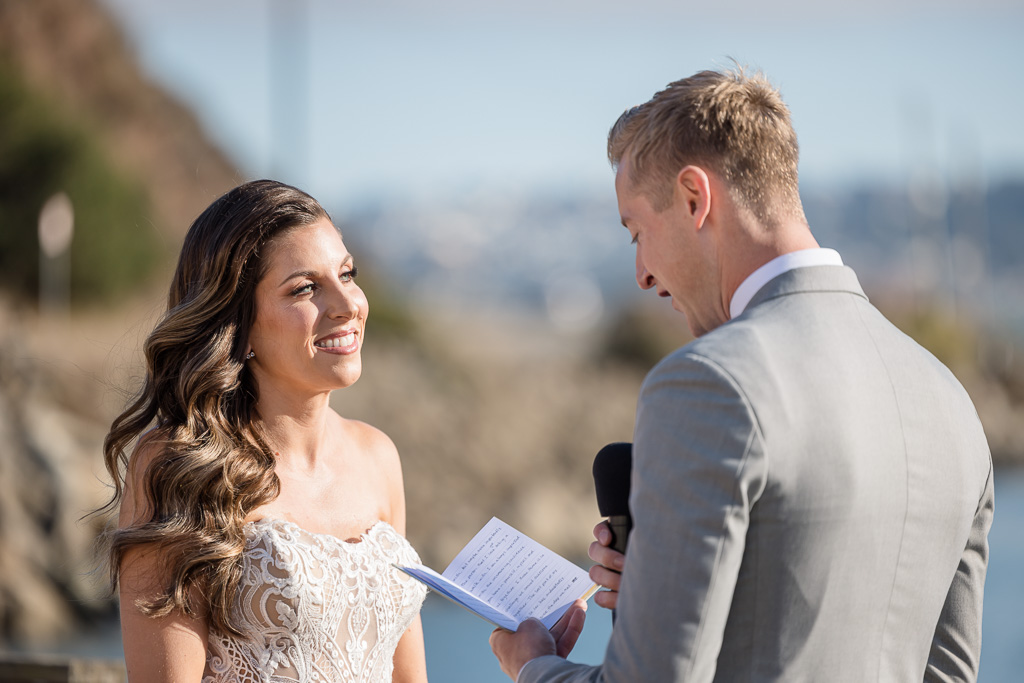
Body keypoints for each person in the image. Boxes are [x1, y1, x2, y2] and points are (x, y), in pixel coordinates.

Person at [490, 67, 994, 682]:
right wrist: (665, 590)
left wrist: (535, 666)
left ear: (696, 199)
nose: (643, 275)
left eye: (637, 233)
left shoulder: (707, 383)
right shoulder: (950, 399)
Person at [100, 180, 429, 682]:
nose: (347, 304)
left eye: (347, 274)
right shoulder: (179, 466)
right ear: (240, 322)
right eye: (304, 288)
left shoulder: (378, 456)